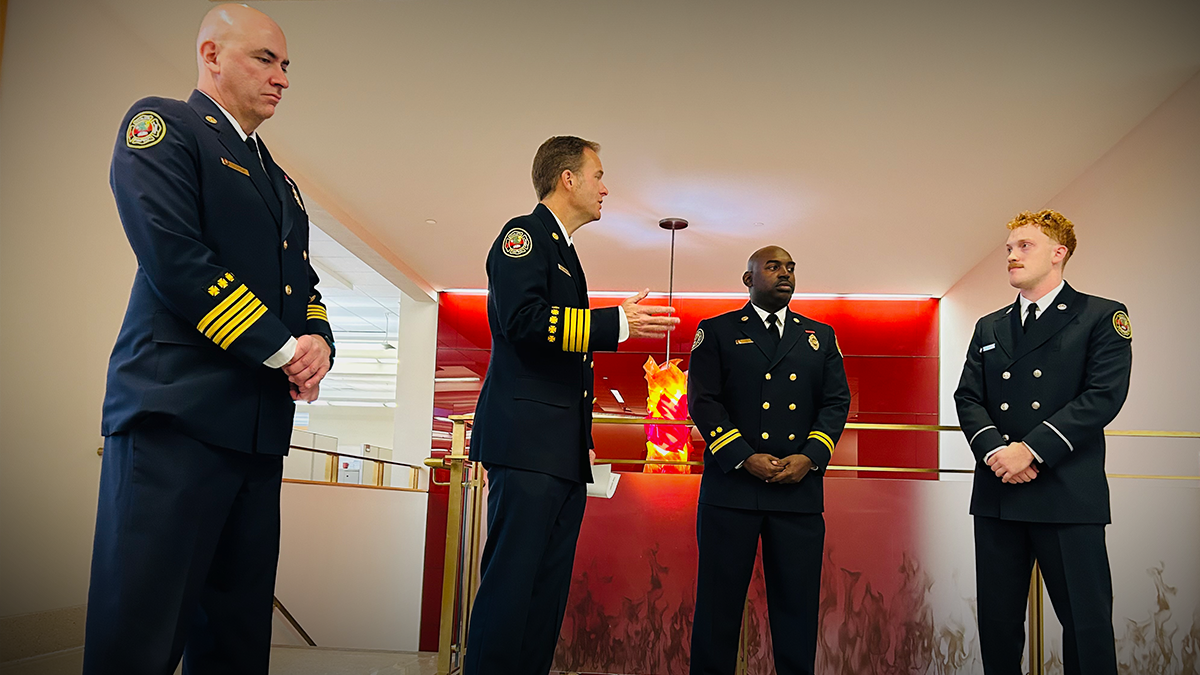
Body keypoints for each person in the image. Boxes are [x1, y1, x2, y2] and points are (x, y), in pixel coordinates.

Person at [84, 5, 334, 673]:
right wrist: (286, 350)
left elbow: (303, 284)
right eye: (265, 59)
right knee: (138, 637)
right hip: (177, 419)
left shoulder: (280, 181)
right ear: (211, 54)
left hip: (255, 434)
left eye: (286, 66)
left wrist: (320, 341)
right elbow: (178, 259)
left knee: (235, 643)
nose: (282, 77)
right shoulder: (164, 126)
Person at [466, 136, 679, 674]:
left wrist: (611, 323)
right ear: (567, 178)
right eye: (598, 175)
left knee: (545, 595)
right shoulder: (525, 236)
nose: (605, 188)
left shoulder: (563, 251)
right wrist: (616, 323)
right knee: (512, 585)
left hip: (559, 450)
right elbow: (524, 323)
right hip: (526, 442)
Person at [954, 210, 1132, 675]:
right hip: (999, 494)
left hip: (1067, 494)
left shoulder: (1101, 315)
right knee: (997, 627)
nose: (1011, 255)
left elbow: (1102, 397)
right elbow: (968, 397)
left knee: (1086, 626)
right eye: (1009, 248)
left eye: (1024, 246)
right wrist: (997, 452)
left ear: (1059, 253)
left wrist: (1028, 450)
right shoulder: (989, 326)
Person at [686, 246, 851, 675]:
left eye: (791, 268)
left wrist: (811, 457)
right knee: (717, 610)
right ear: (748, 279)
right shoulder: (717, 331)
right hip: (731, 492)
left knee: (796, 611)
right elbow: (703, 402)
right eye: (773, 267)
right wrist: (743, 457)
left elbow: (835, 403)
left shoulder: (820, 335)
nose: (785, 274)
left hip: (797, 493)